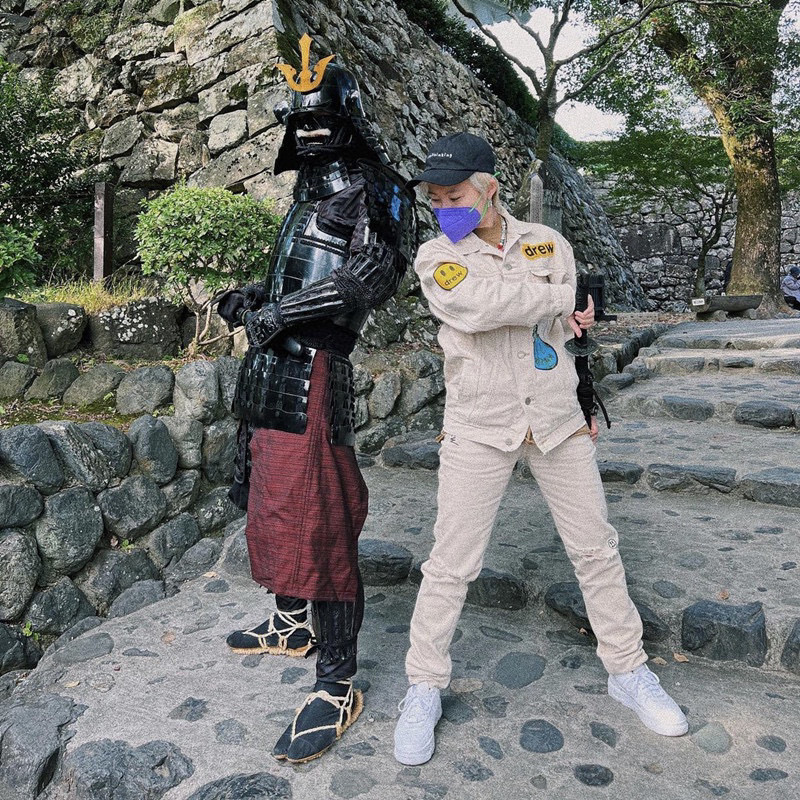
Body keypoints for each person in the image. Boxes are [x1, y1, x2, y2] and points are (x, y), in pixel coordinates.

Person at [393, 132, 688, 767]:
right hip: (479, 423)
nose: (444, 207)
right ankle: (424, 686)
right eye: (435, 198)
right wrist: (562, 298)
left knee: (597, 549)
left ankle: (628, 671)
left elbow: (561, 328)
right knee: (450, 563)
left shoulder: (548, 243)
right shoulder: (435, 254)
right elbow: (477, 308)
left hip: (556, 418)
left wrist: (575, 330)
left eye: (455, 195)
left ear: (490, 188)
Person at [216, 49, 416, 764]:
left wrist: (281, 314)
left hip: (314, 373)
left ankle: (336, 683)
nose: (308, 132)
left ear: (348, 117)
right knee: (269, 500)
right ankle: (290, 623)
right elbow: (299, 273)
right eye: (299, 122)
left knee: (320, 519)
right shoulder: (307, 194)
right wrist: (254, 299)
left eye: (321, 119)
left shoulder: (379, 188)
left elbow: (369, 277)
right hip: (269, 372)